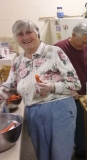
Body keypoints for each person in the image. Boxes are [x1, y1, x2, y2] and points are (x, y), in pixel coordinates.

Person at [0, 19, 81, 160]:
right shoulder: (18, 61)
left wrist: (53, 86)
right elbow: (8, 87)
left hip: (59, 109)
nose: (25, 37)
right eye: (20, 34)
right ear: (16, 38)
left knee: (60, 155)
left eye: (29, 32)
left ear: (37, 33)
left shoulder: (54, 52)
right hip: (33, 113)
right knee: (42, 156)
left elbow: (75, 83)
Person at [54, 22, 87, 158]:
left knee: (81, 128)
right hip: (63, 98)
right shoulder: (58, 48)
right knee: (65, 129)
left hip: (80, 95)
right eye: (83, 42)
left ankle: (81, 153)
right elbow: (52, 75)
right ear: (73, 35)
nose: (84, 46)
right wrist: (68, 90)